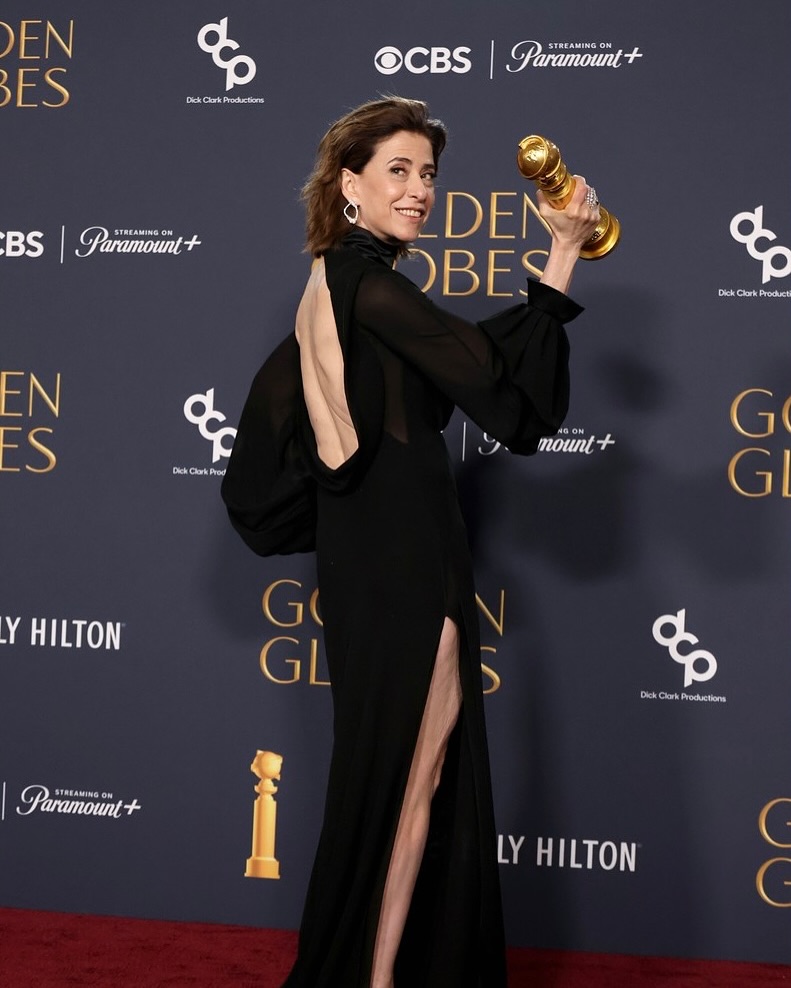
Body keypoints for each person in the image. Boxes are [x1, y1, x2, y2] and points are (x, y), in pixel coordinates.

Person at [221, 96, 600, 988]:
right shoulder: (373, 288)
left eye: (428, 173)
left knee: (408, 778)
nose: (420, 189)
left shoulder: (337, 289)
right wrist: (561, 251)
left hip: (378, 555)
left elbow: (453, 364)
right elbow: (497, 392)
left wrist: (341, 501)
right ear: (348, 185)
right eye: (398, 170)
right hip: (405, 558)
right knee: (404, 777)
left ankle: (378, 975)